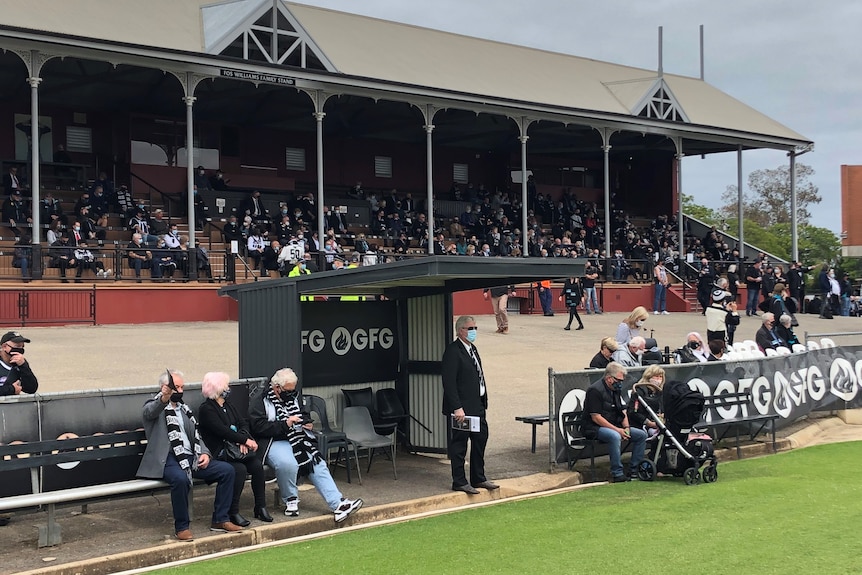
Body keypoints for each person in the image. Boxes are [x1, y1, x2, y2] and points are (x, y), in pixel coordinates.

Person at [136, 369, 241, 541]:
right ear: (164, 387)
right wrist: (164, 398)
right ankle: (182, 527)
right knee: (180, 479)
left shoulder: (184, 409)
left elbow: (196, 436)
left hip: (190, 457)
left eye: (182, 387)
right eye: (176, 387)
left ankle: (220, 519)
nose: (180, 391)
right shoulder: (153, 405)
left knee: (227, 471)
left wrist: (205, 453)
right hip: (168, 458)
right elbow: (151, 411)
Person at [249, 368, 363, 522]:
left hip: (297, 438)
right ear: (276, 387)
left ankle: (338, 504)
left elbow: (303, 413)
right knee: (287, 463)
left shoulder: (293, 396)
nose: (290, 393)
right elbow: (258, 427)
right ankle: (290, 499)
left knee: (317, 462)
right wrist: (285, 424)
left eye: (292, 390)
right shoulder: (260, 400)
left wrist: (306, 422)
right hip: (272, 441)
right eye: (287, 390)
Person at [197, 372, 272, 527]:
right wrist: (243, 440)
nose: (228, 388)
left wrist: (243, 440)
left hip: (236, 449)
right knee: (239, 469)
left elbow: (242, 423)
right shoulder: (206, 409)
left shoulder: (228, 405)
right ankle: (233, 511)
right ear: (217, 388)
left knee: (256, 466)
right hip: (220, 451)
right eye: (226, 386)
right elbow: (221, 431)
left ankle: (260, 506)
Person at [441, 315, 498, 494]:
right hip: (462, 409)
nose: (473, 331)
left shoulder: (472, 349)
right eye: (470, 328)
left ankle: (478, 477)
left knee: (480, 438)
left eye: (475, 328)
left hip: (477, 405)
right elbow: (449, 382)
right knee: (460, 444)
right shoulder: (453, 351)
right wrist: (457, 407)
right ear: (460, 331)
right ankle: (459, 481)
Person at [583, 362, 647, 482]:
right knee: (615, 436)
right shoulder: (594, 391)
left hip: (614, 424)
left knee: (641, 435)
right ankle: (617, 473)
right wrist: (618, 430)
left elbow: (622, 411)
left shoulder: (616, 390)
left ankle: (635, 470)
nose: (621, 383)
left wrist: (626, 428)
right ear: (609, 378)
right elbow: (596, 417)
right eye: (619, 380)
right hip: (593, 427)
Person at [627, 365, 665, 438]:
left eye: (661, 377)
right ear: (649, 376)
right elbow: (633, 412)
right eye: (656, 376)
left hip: (656, 422)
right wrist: (649, 423)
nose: (659, 379)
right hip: (640, 424)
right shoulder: (639, 390)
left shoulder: (660, 392)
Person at [0, 331, 38, 396]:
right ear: (4, 347)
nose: (20, 350)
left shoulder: (19, 364)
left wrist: (24, 366)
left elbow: (31, 388)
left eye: (22, 347)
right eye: (17, 346)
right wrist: (11, 389)